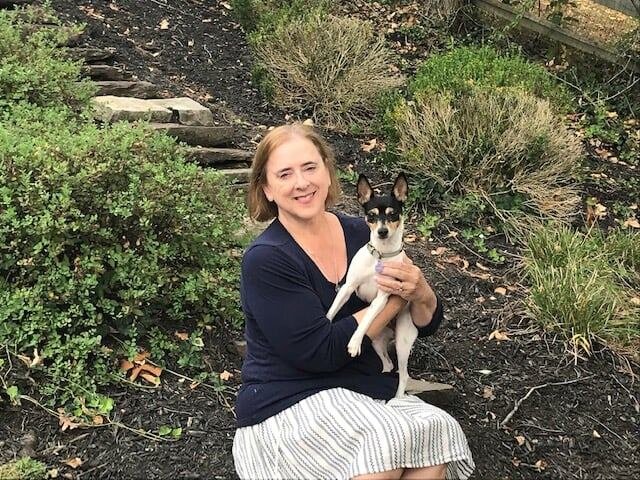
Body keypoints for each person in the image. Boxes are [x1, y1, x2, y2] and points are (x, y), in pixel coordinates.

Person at [232, 123, 474, 480]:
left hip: (360, 388)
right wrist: (393, 301)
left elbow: (427, 322)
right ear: (266, 188)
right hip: (288, 398)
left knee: (435, 433)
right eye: (285, 174)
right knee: (382, 451)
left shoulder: (363, 233)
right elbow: (320, 351)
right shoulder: (268, 259)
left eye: (310, 167)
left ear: (328, 174)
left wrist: (420, 290)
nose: (301, 183)